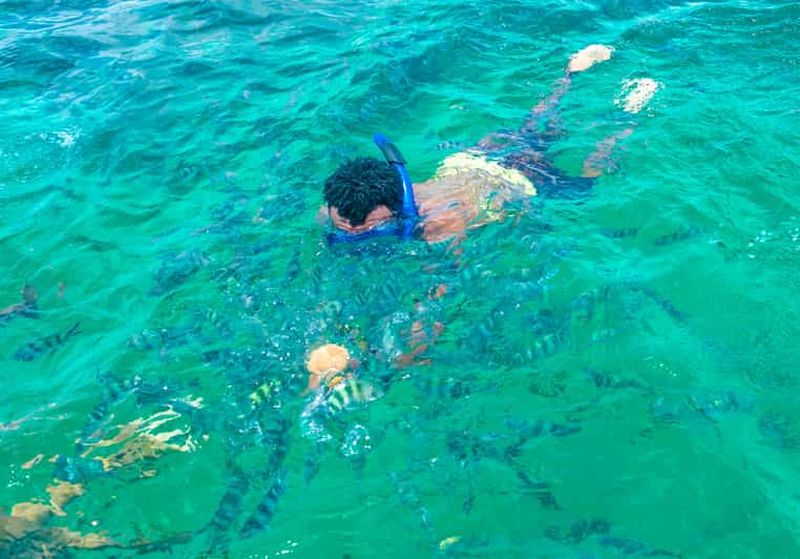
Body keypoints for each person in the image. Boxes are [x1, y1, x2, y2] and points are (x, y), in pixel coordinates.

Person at [321, 45, 660, 246]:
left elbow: (442, 289)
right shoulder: (337, 206)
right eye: (343, 224)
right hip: (471, 160)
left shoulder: (441, 224)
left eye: (362, 227)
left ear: (392, 206)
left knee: (588, 183)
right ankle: (570, 75)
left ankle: (628, 117)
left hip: (521, 180)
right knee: (534, 126)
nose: (349, 229)